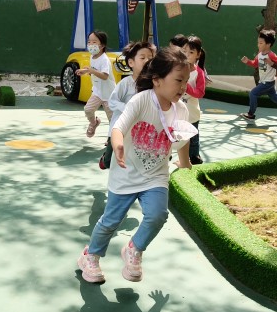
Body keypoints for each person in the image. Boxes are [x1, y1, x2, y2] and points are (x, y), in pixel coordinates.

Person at [78, 45, 195, 284]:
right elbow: (119, 127)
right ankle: (90, 256)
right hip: (126, 172)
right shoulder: (141, 100)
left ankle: (134, 249)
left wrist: (186, 164)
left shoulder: (181, 110)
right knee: (111, 221)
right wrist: (118, 145)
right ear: (157, 80)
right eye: (178, 80)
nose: (183, 87)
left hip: (156, 176)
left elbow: (183, 139)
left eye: (185, 81)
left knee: (158, 215)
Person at [100, 41, 155, 170]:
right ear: (131, 63)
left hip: (140, 128)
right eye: (142, 58)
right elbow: (112, 102)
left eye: (150, 58)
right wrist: (127, 109)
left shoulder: (153, 84)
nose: (147, 61)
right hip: (119, 127)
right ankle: (105, 159)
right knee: (110, 160)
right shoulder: (126, 83)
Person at [76, 31, 115, 138]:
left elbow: (104, 76)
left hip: (109, 94)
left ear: (102, 45)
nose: (90, 44)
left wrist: (91, 70)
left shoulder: (104, 60)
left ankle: (111, 139)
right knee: (88, 110)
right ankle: (94, 123)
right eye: (89, 42)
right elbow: (94, 70)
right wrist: (85, 71)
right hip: (97, 92)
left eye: (94, 42)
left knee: (112, 119)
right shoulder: (92, 57)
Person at [241, 29, 277, 120]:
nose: (258, 45)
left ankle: (251, 114)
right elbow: (255, 64)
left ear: (268, 44)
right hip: (265, 81)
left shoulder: (271, 55)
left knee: (253, 94)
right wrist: (248, 61)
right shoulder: (259, 54)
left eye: (261, 43)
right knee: (275, 97)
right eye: (258, 43)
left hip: (267, 82)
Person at [183, 35, 208, 164]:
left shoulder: (199, 73)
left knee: (193, 136)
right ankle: (169, 153)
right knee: (173, 133)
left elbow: (200, 93)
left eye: (191, 52)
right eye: (184, 51)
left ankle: (194, 156)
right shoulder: (176, 68)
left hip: (192, 111)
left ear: (198, 55)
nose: (187, 54)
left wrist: (186, 87)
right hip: (176, 109)